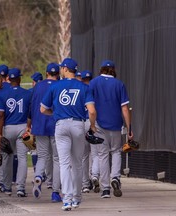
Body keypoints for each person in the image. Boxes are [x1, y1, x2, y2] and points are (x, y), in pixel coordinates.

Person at [40, 58, 97, 211]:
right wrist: (91, 125)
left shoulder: (56, 86)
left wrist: (55, 113)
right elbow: (91, 111)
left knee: (64, 163)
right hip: (78, 125)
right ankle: (77, 198)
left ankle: (67, 199)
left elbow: (43, 109)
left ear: (65, 69)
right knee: (77, 163)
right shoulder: (84, 87)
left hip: (61, 125)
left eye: (62, 68)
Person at [89, 60, 133, 199]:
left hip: (100, 124)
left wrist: (92, 124)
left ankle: (106, 189)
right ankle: (115, 178)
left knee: (102, 155)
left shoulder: (94, 83)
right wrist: (129, 127)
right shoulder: (119, 84)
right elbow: (125, 108)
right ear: (113, 70)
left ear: (101, 69)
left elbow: (90, 106)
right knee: (116, 152)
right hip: (115, 124)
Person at [29, 63, 62, 202]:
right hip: (55, 125)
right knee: (57, 159)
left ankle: (38, 176)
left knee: (42, 156)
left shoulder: (38, 86)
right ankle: (55, 192)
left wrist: (29, 125)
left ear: (46, 72)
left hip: (40, 125)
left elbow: (31, 107)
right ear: (58, 74)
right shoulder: (60, 86)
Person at [0, 68, 32, 197]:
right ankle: (20, 188)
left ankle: (7, 187)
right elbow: (30, 113)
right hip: (23, 127)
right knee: (22, 158)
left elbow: (0, 116)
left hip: (8, 127)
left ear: (8, 79)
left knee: (7, 158)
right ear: (20, 79)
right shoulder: (27, 94)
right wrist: (29, 126)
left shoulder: (2, 94)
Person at [80, 70, 96, 193]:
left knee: (84, 156)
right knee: (95, 154)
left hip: (81, 123)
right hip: (93, 122)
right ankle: (94, 177)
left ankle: (85, 184)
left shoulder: (79, 89)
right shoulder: (93, 90)